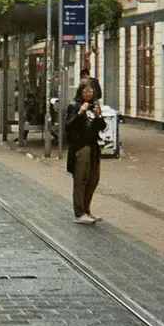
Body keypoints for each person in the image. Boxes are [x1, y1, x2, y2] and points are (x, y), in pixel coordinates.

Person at [65, 77, 106, 225]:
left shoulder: (95, 106)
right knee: (81, 180)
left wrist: (98, 116)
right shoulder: (74, 106)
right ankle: (79, 212)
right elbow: (69, 127)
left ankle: (87, 210)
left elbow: (102, 127)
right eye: (85, 91)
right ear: (80, 92)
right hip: (80, 147)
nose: (88, 93)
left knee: (93, 179)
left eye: (90, 91)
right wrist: (80, 113)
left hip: (93, 147)